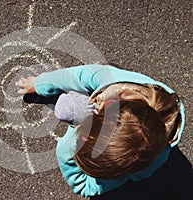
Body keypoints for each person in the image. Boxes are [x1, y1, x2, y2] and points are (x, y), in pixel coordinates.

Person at [15, 64, 185, 198]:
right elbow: (74, 75)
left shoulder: (155, 155)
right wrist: (39, 84)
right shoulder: (106, 77)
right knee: (70, 102)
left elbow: (83, 185)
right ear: (101, 108)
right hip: (114, 91)